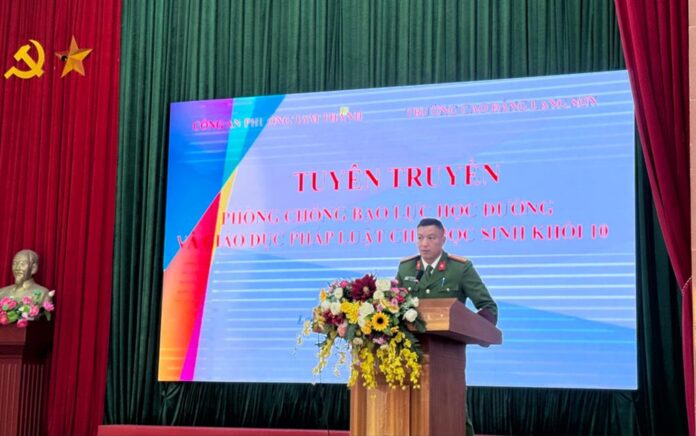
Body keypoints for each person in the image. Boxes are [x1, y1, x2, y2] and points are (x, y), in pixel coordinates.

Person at [395, 218, 497, 436]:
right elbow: (393, 305)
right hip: (410, 352)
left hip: (448, 355)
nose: (424, 244)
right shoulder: (406, 268)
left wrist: (480, 331)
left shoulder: (459, 269)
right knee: (412, 413)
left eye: (431, 238)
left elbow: (488, 307)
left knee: (453, 412)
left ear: (443, 239)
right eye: (420, 238)